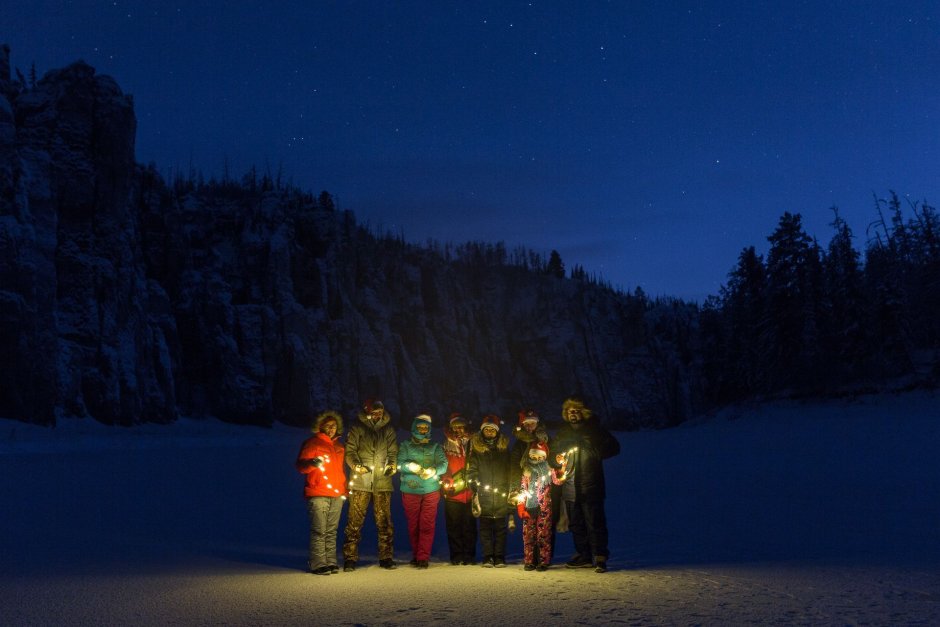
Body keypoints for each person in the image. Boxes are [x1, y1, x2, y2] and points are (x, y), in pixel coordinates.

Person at [552, 396, 621, 573]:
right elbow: (552, 454)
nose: (573, 414)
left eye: (576, 411)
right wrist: (556, 460)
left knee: (594, 521)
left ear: (583, 412)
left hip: (591, 484)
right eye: (569, 411)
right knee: (576, 523)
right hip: (569, 485)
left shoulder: (594, 430)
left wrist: (595, 450)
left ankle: (599, 556)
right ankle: (583, 555)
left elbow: (614, 447)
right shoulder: (563, 433)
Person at [342, 399, 399, 571]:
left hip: (382, 483)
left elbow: (393, 452)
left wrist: (391, 466)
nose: (377, 414)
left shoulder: (388, 429)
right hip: (361, 483)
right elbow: (350, 452)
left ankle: (386, 557)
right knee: (354, 522)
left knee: (385, 522)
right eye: (374, 411)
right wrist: (357, 466)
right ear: (367, 411)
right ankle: (350, 559)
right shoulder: (358, 428)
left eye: (380, 411)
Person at [295, 410, 348, 575]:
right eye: (328, 425)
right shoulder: (312, 443)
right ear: (321, 425)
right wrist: (312, 463)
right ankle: (318, 563)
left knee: (332, 530)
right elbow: (300, 466)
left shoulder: (339, 447)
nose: (332, 428)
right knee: (319, 529)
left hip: (337, 493)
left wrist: (344, 489)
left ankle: (330, 562)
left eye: (334, 426)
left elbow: (340, 470)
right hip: (317, 492)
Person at [398, 414, 448, 568]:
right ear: (414, 427)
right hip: (410, 489)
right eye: (419, 427)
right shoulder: (405, 445)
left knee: (427, 524)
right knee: (413, 524)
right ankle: (416, 554)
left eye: (425, 427)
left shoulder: (435, 446)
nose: (422, 429)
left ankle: (423, 557)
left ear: (429, 429)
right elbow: (399, 463)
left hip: (430, 490)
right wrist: (411, 466)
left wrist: (433, 470)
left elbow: (443, 464)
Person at [466, 414, 513, 568]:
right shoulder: (478, 451)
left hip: (501, 494)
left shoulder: (503, 450)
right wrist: (473, 483)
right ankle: (488, 556)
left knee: (500, 529)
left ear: (497, 432)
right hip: (484, 495)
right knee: (485, 529)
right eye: (487, 429)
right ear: (483, 431)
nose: (490, 432)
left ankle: (499, 556)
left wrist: (511, 486)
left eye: (493, 430)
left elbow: (510, 469)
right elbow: (471, 469)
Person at [514, 440, 565, 571]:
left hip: (544, 508)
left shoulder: (549, 469)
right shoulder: (526, 471)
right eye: (534, 457)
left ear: (545, 456)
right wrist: (520, 506)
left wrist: (562, 468)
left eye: (540, 457)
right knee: (528, 535)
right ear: (530, 456)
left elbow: (558, 481)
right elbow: (522, 489)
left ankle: (543, 561)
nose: (537, 459)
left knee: (543, 535)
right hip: (529, 507)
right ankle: (529, 561)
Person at [440, 412, 477, 565]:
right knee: (453, 526)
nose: (459, 430)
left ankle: (469, 556)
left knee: (469, 525)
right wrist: (446, 479)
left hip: (470, 492)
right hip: (453, 492)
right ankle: (456, 556)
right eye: (455, 427)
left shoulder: (474, 443)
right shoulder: (445, 445)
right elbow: (442, 465)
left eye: (461, 427)